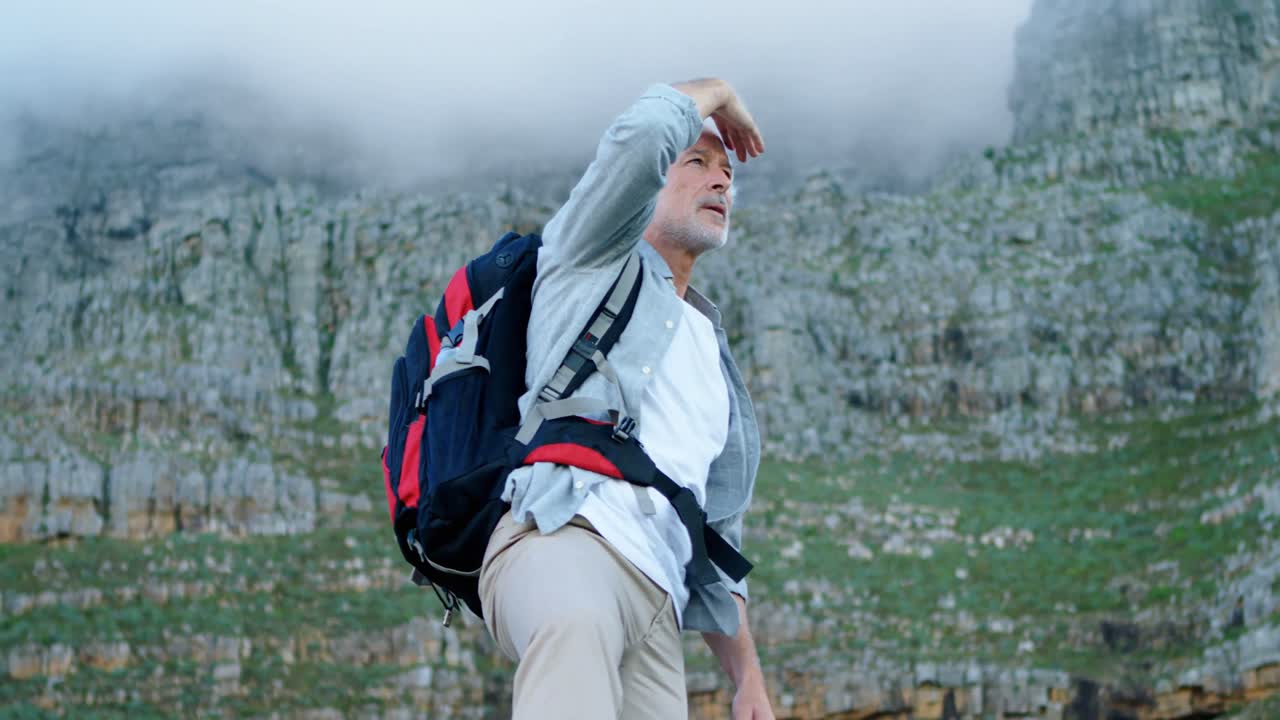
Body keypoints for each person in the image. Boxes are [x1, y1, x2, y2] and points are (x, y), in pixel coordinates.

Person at [478, 78, 773, 720]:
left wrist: (747, 676)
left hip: (658, 603)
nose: (720, 181)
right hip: (563, 535)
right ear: (645, 191)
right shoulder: (590, 255)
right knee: (576, 631)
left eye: (727, 172)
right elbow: (641, 137)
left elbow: (716, 535)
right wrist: (718, 89)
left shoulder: (714, 360)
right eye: (696, 162)